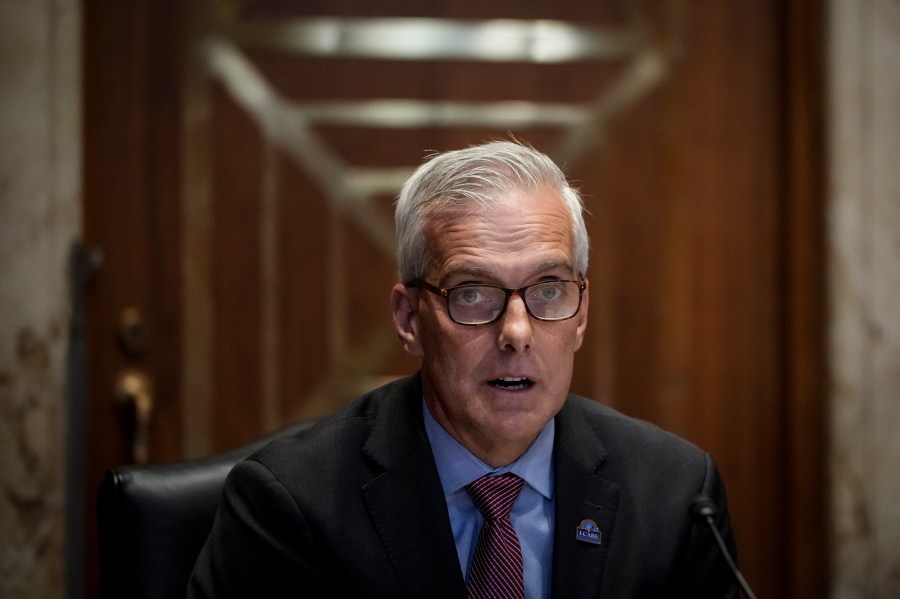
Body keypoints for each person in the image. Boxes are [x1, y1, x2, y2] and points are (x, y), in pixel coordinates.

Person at [188, 140, 739, 598]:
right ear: (409, 319)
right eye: (473, 294)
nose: (518, 333)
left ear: (581, 315)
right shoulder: (291, 505)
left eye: (549, 290)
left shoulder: (678, 497)